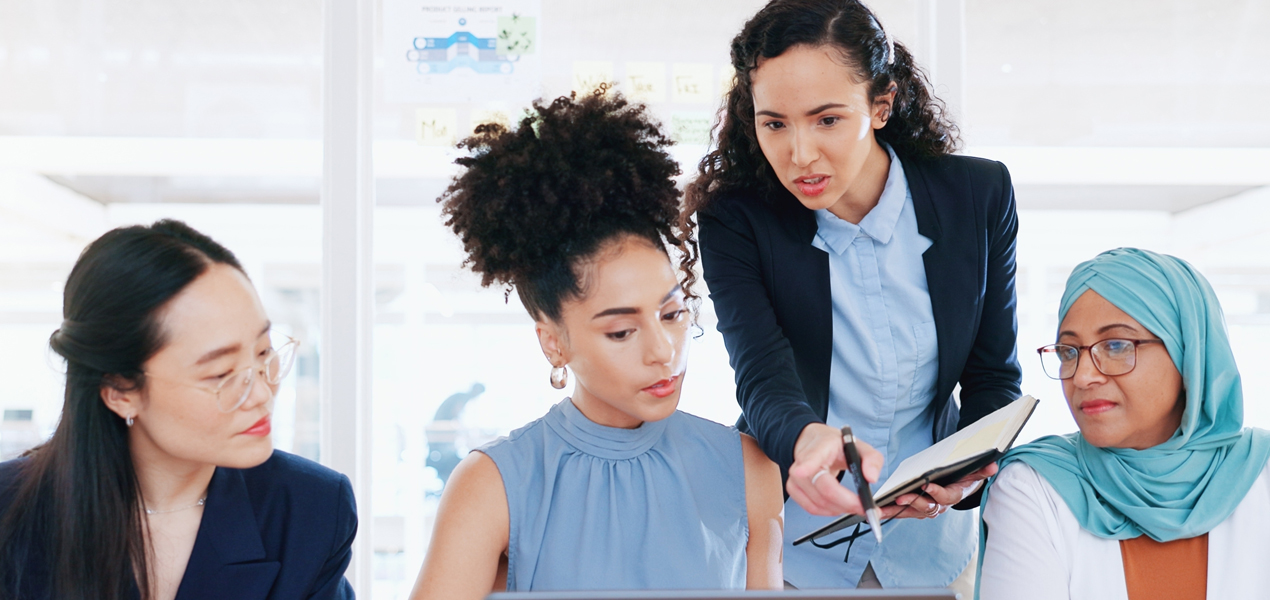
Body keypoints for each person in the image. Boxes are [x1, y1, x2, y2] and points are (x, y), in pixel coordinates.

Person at [681, 0, 1021, 591]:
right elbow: (762, 377)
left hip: (932, 547)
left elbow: (993, 377)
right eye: (775, 123)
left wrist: (964, 478)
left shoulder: (978, 196)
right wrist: (808, 440)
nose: (799, 154)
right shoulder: (737, 222)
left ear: (880, 105)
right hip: (793, 544)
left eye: (827, 120)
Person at [408, 91, 784, 599]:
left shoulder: (749, 471)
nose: (663, 350)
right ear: (553, 344)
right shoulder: (492, 484)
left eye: (672, 314)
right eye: (621, 331)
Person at [0, 220, 357, 600]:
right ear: (120, 389)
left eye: (263, 352)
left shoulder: (308, 509)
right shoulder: (10, 512)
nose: (261, 394)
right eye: (221, 374)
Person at [979, 248, 1270, 599]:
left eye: (1116, 345)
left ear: (1188, 352)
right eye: (1069, 352)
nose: (1083, 376)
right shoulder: (1034, 486)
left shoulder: (1261, 473)